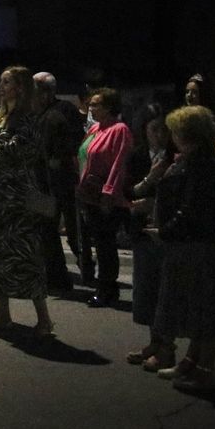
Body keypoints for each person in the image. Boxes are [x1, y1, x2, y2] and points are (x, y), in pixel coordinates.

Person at [145, 106, 215, 390]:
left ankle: (206, 370)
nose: (171, 136)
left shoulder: (201, 164)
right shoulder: (198, 159)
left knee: (208, 309)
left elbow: (192, 209)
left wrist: (164, 231)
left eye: (174, 131)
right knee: (199, 308)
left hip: (206, 245)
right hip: (203, 242)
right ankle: (191, 361)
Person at [0, 66, 56, 337]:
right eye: (0, 81)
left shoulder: (29, 118)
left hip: (19, 195)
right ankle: (3, 314)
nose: (0, 87)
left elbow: (20, 148)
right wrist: (1, 149)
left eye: (6, 82)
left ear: (19, 87)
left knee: (25, 254)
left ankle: (44, 319)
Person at [76, 88, 135, 308]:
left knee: (105, 245)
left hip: (105, 197)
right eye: (91, 104)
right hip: (88, 194)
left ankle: (107, 288)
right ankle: (104, 286)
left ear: (109, 106)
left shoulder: (119, 130)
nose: (92, 108)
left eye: (97, 104)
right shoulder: (94, 129)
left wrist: (108, 193)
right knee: (98, 243)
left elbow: (119, 164)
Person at [125, 117, 173, 367]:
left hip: (166, 229)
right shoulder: (138, 155)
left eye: (163, 129)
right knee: (146, 288)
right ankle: (154, 340)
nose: (158, 134)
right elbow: (128, 190)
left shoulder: (175, 156)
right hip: (142, 228)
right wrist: (146, 184)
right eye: (153, 129)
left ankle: (167, 345)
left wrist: (153, 201)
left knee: (165, 289)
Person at [33, 72, 87, 292]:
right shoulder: (38, 113)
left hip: (61, 181)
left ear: (47, 92)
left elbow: (74, 139)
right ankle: (55, 274)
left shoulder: (62, 111)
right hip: (44, 181)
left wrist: (59, 158)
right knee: (46, 228)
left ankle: (86, 267)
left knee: (73, 228)